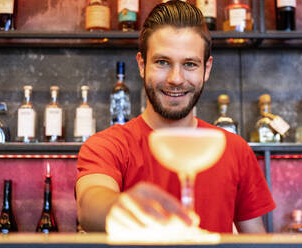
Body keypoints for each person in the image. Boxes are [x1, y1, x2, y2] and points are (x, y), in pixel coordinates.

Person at [76, 0, 275, 234]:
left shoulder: (235, 149)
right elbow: (89, 206)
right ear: (142, 64)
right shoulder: (108, 146)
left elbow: (255, 240)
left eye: (190, 64)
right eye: (162, 62)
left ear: (207, 69)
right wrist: (122, 207)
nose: (176, 78)